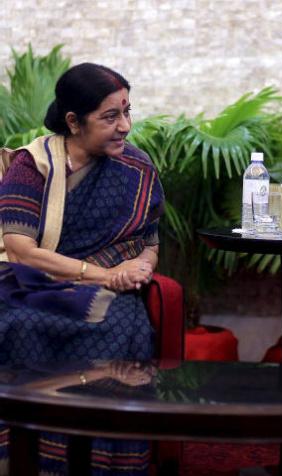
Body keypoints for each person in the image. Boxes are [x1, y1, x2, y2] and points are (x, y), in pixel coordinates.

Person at [0, 63, 164, 475]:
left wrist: (140, 268)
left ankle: (104, 463)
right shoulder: (33, 164)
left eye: (127, 111)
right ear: (74, 121)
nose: (125, 125)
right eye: (111, 116)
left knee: (118, 327)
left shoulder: (138, 170)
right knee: (20, 325)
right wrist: (104, 274)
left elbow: (150, 243)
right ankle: (28, 461)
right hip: (33, 287)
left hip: (111, 296)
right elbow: (21, 252)